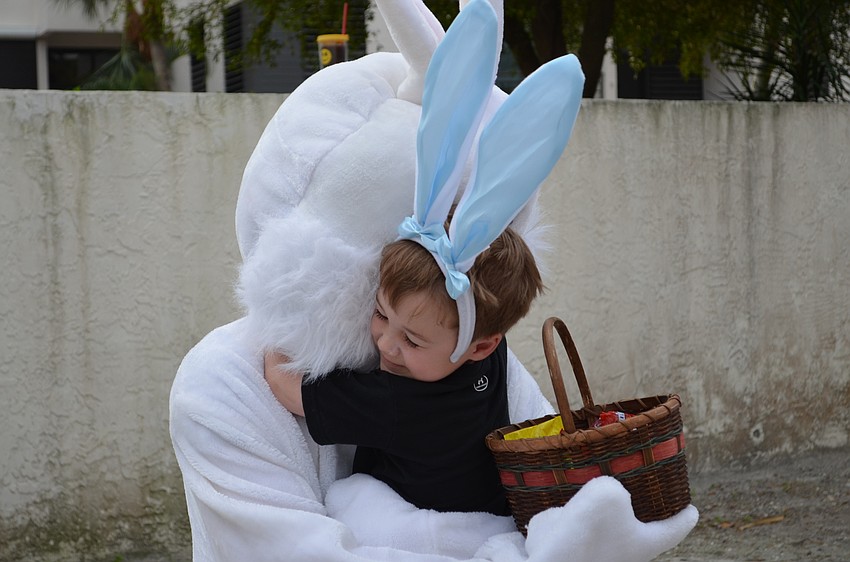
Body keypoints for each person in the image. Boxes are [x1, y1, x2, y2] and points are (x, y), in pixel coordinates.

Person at [265, 225, 543, 516]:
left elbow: (285, 385)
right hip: (496, 509)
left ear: (480, 347)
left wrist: (275, 322)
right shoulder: (488, 349)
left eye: (411, 340)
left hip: (430, 529)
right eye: (381, 314)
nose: (386, 345)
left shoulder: (397, 404)